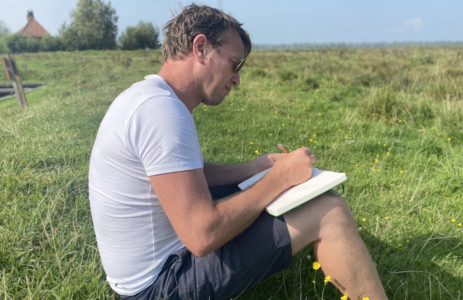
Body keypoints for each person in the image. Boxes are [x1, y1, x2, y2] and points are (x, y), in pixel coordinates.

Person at [89, 4, 388, 300]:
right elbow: (202, 236)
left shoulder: (150, 98)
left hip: (149, 270)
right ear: (201, 47)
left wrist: (256, 168)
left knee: (263, 189)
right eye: (234, 63)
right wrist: (280, 178)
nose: (237, 79)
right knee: (328, 210)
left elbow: (188, 173)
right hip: (157, 286)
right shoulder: (161, 112)